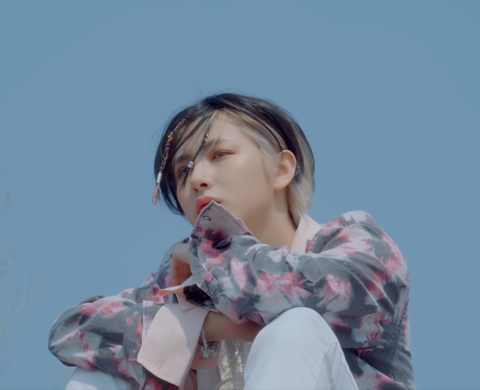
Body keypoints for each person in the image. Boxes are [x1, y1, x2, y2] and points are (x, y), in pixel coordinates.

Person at [48, 93, 415, 390]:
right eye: (183, 170)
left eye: (220, 154)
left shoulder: (356, 242)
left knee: (296, 326)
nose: (197, 179)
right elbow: (72, 331)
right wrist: (209, 326)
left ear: (282, 169)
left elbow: (337, 295)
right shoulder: (181, 283)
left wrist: (210, 255)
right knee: (96, 375)